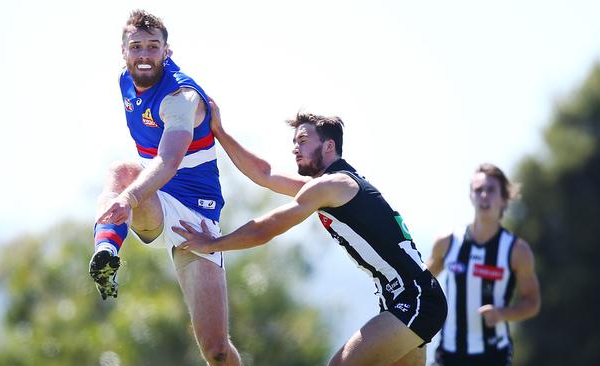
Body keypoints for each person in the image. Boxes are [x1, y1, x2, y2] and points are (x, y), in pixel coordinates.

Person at [173, 102, 448, 366]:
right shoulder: (330, 187)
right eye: (294, 142)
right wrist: (219, 131)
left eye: (303, 140)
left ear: (329, 146)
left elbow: (266, 228)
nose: (295, 148)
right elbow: (264, 174)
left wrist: (213, 243)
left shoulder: (333, 185)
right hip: (405, 300)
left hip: (415, 299)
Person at [89, 10, 242, 365]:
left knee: (217, 351)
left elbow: (169, 160)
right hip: (156, 203)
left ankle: (113, 234)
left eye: (153, 47)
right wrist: (133, 195)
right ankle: (105, 253)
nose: (144, 55)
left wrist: (130, 197)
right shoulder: (124, 81)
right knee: (121, 169)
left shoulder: (180, 96)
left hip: (196, 219)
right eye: (136, 46)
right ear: (123, 51)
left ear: (167, 51)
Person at [426, 164, 541, 366]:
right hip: (448, 354)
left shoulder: (517, 251)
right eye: (478, 190)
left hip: (493, 355)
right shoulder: (447, 242)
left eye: (491, 190)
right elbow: (422, 285)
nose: (484, 195)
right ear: (471, 196)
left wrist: (502, 314)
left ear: (504, 198)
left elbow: (532, 303)